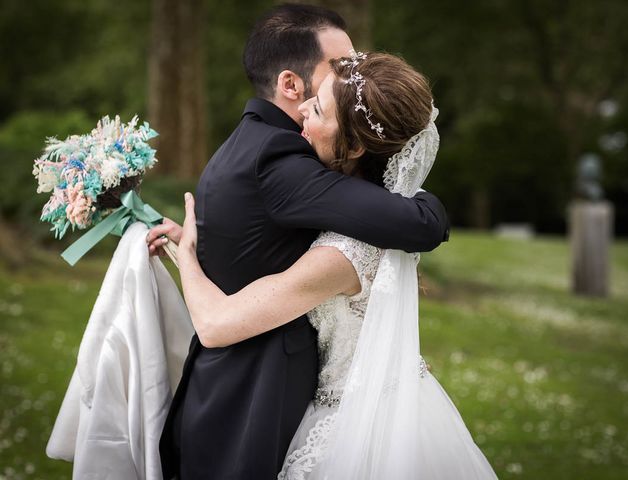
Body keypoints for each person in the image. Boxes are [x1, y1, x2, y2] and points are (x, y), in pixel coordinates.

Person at [147, 4, 450, 480]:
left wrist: (189, 253)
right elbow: (414, 222)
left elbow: (408, 222)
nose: (354, 73)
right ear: (291, 83)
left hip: (316, 408)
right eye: (340, 66)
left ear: (356, 145)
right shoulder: (281, 153)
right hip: (255, 397)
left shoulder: (250, 142)